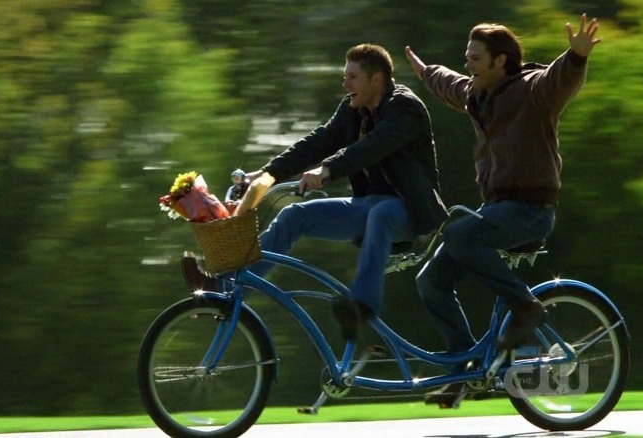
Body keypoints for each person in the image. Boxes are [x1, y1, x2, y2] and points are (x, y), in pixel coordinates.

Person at [183, 43, 448, 341]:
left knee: (382, 213)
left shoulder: (406, 108)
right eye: (344, 76)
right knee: (295, 215)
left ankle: (362, 305)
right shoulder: (353, 108)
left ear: (377, 80)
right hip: (367, 206)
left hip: (410, 211)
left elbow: (373, 147)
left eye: (352, 77)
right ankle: (224, 288)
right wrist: (268, 174)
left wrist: (327, 169)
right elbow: (318, 142)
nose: (345, 83)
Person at [404, 14, 601, 406]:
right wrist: (425, 72)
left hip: (531, 209)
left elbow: (558, 79)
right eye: (468, 57)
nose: (468, 65)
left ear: (501, 61)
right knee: (431, 281)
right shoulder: (478, 94)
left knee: (459, 232)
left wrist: (576, 57)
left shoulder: (532, 89)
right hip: (497, 208)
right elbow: (450, 84)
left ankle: (525, 305)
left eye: (475, 58)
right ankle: (465, 368)